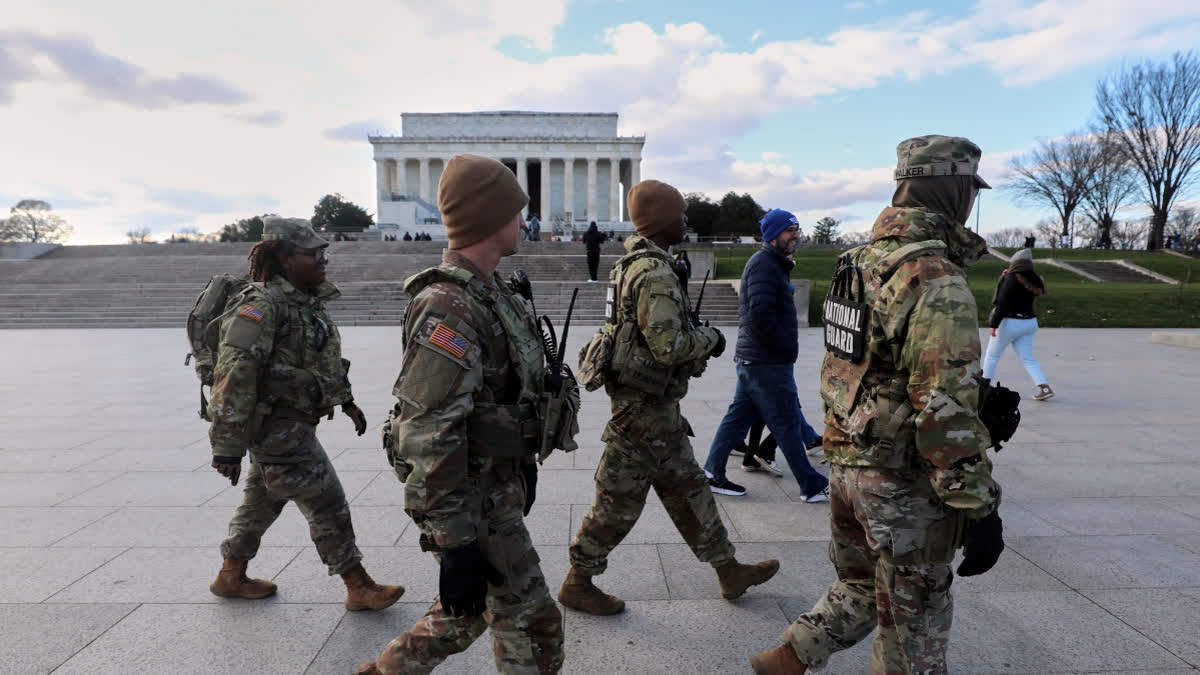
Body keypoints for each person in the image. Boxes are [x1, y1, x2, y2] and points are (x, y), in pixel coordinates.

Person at [750, 136, 1005, 674]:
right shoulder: (933, 276)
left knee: (863, 584)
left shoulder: (857, 262)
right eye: (970, 188)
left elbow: (847, 367)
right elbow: (943, 405)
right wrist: (977, 505)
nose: (971, 200)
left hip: (848, 464)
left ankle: (788, 657)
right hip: (900, 482)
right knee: (914, 628)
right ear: (953, 189)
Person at [356, 155, 564, 674]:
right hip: (470, 499)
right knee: (534, 627)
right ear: (491, 217)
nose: (523, 220)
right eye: (516, 210)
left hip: (493, 485)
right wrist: (455, 545)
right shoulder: (448, 306)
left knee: (465, 615)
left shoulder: (491, 293)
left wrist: (522, 463)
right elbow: (428, 428)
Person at [560, 179, 779, 616]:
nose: (686, 219)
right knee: (617, 503)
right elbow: (669, 347)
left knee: (691, 490)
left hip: (656, 410)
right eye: (680, 214)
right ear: (661, 221)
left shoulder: (629, 266)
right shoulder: (655, 273)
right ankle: (577, 582)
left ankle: (728, 568)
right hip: (641, 415)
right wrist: (711, 338)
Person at [207, 216, 405, 611]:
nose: (322, 259)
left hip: (292, 422)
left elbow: (321, 359)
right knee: (325, 499)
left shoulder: (305, 302)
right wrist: (226, 445)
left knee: (262, 500)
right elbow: (234, 374)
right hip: (277, 426)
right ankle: (358, 585)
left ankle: (231, 574)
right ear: (283, 257)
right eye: (312, 253)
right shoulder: (261, 305)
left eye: (323, 252)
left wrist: (345, 401)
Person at [702, 209, 828, 501]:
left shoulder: (772, 263)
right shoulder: (764, 265)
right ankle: (811, 486)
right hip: (767, 360)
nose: (796, 235)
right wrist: (783, 347)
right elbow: (761, 313)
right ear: (773, 235)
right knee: (787, 422)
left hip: (756, 358)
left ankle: (712, 473)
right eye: (789, 230)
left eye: (797, 229)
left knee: (737, 419)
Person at [984, 249, 1053, 401]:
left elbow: (1002, 302)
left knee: (992, 356)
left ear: (1015, 262)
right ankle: (1044, 387)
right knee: (1028, 358)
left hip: (1010, 323)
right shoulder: (1034, 279)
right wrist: (1004, 278)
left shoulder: (1012, 278)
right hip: (1029, 323)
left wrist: (994, 324)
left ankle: (982, 389)